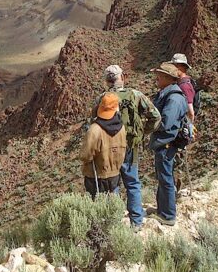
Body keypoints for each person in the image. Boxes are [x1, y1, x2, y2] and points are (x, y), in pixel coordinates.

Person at [92, 65, 161, 230]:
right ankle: (136, 223)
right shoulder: (135, 95)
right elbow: (156, 117)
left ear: (107, 80)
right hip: (130, 146)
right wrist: (143, 132)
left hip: (108, 151)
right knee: (132, 183)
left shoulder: (101, 99)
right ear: (123, 77)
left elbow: (92, 124)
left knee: (112, 186)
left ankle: (114, 225)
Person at [148, 62, 188, 226]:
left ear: (167, 78)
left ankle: (168, 215)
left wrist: (150, 124)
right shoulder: (169, 95)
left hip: (166, 144)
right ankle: (162, 210)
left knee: (165, 179)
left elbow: (166, 122)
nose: (156, 78)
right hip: (164, 144)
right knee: (164, 177)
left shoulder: (173, 98)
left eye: (159, 75)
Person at [79, 92, 127, 198]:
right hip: (115, 174)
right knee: (112, 202)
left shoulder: (95, 129)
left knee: (97, 204)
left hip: (96, 175)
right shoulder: (122, 128)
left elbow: (85, 156)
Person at [170, 53, 195, 130]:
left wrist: (188, 127)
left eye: (175, 66)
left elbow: (191, 112)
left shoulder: (184, 86)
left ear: (182, 67)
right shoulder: (180, 83)